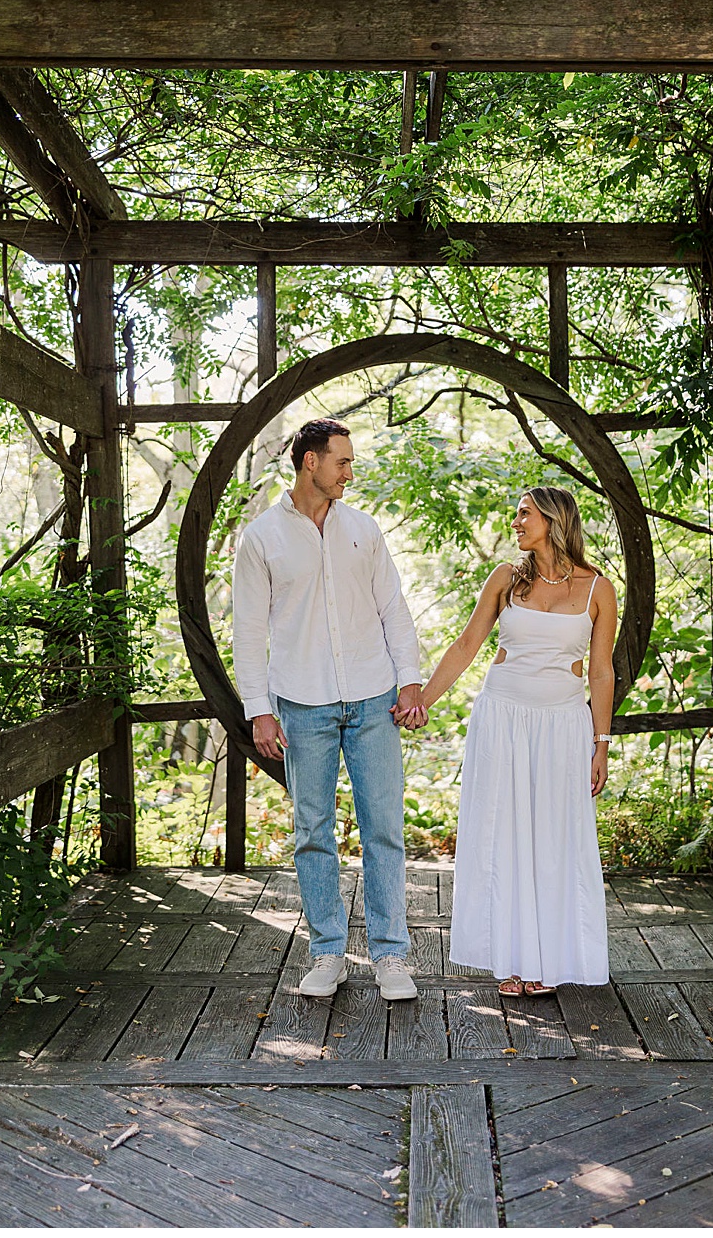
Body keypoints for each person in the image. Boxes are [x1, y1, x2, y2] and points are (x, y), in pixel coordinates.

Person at [232, 418, 425, 1003]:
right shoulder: (262, 536)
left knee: (384, 831)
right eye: (341, 461)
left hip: (373, 699)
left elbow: (394, 609)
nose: (349, 471)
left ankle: (391, 957)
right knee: (312, 832)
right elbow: (248, 629)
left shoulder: (364, 529)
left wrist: (410, 681)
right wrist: (259, 710)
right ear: (309, 462)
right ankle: (327, 952)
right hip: (301, 704)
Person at [416, 487, 616, 996]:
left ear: (553, 519)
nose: (516, 521)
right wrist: (423, 702)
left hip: (563, 726)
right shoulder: (506, 578)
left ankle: (545, 961)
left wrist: (601, 742)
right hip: (501, 719)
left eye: (524, 514)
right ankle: (510, 958)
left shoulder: (598, 589)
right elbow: (466, 646)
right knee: (502, 835)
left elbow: (601, 671)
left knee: (553, 839)